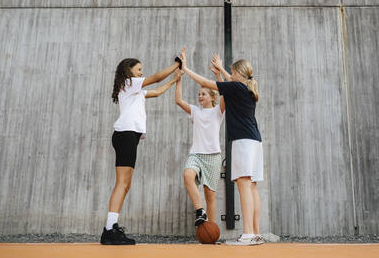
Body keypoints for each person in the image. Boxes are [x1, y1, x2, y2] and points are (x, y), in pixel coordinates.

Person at [181, 49, 265, 245]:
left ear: (238, 74)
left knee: (244, 184)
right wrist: (221, 72)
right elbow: (231, 83)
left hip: (243, 141)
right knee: (252, 187)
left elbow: (209, 83)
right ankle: (255, 232)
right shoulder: (248, 88)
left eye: (231, 71)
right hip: (255, 141)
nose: (230, 74)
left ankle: (247, 234)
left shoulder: (236, 87)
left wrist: (186, 69)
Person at [100, 49, 184, 245]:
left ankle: (111, 227)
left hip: (128, 135)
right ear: (128, 70)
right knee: (122, 183)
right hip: (126, 135)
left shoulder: (133, 89)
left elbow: (155, 91)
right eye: (138, 69)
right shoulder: (129, 83)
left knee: (125, 184)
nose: (140, 72)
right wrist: (177, 64)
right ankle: (109, 230)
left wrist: (174, 81)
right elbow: (155, 78)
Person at [174, 66, 225, 227]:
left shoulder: (218, 111)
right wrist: (179, 78)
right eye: (199, 94)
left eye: (203, 94)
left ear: (212, 97)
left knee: (210, 195)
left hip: (213, 156)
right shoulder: (195, 111)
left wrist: (218, 76)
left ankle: (212, 230)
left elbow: (225, 93)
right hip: (196, 154)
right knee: (188, 175)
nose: (199, 96)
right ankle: (199, 211)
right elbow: (178, 100)